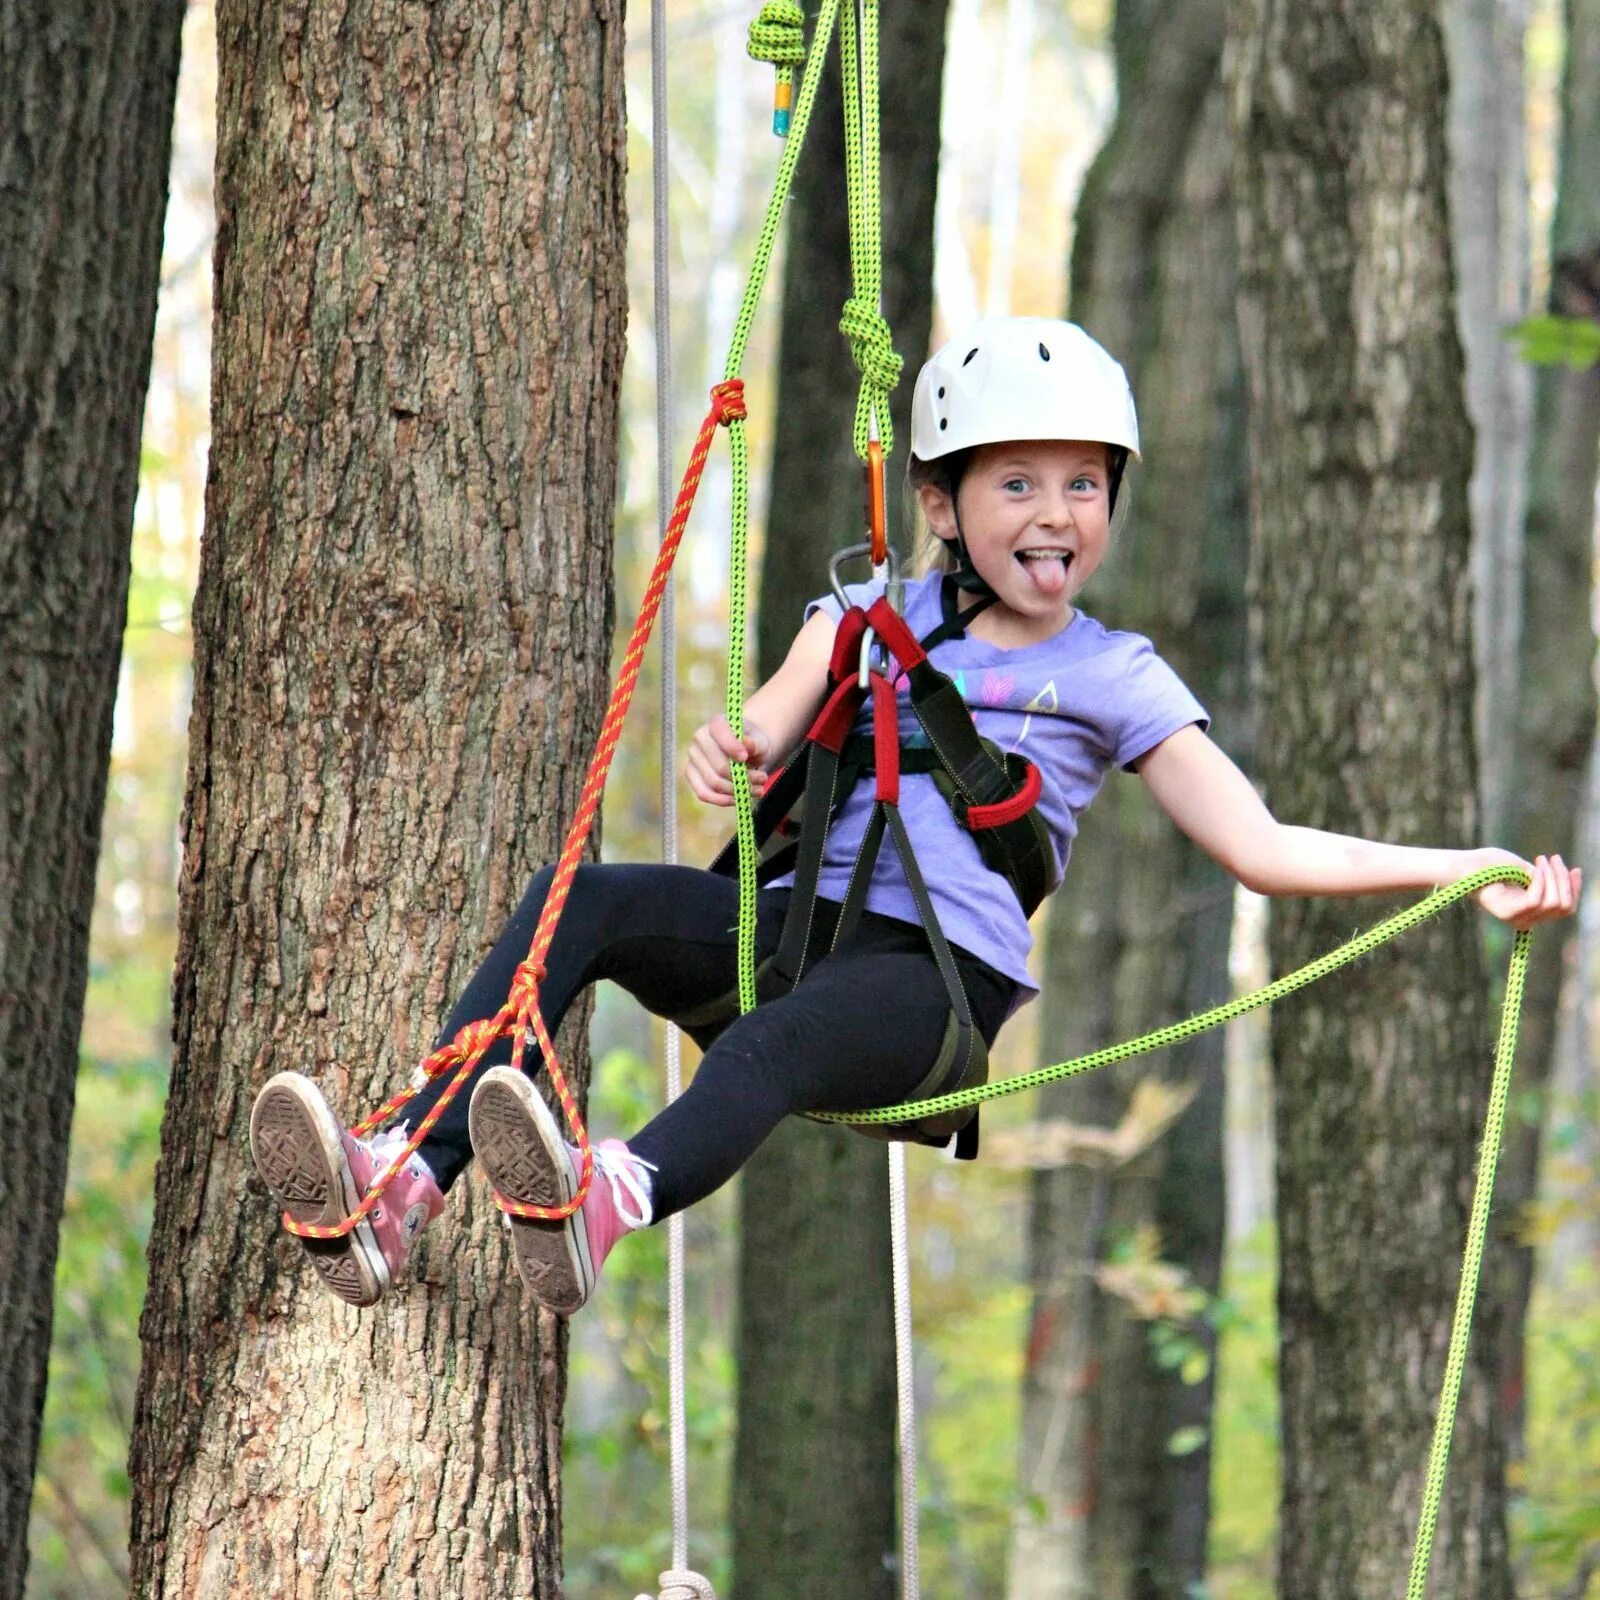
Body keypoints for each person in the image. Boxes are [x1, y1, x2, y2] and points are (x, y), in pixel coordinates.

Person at [250, 316, 1581, 1316]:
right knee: (591, 900)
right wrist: (740, 742)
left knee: (769, 1049)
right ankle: (400, 1186)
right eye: (1017, 484)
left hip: (930, 990)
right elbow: (773, 714)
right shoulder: (867, 614)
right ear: (942, 506)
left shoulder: (1118, 677)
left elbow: (1265, 847)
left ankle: (610, 1201)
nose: (1056, 512)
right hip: (792, 929)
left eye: (1083, 484)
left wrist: (1462, 868)